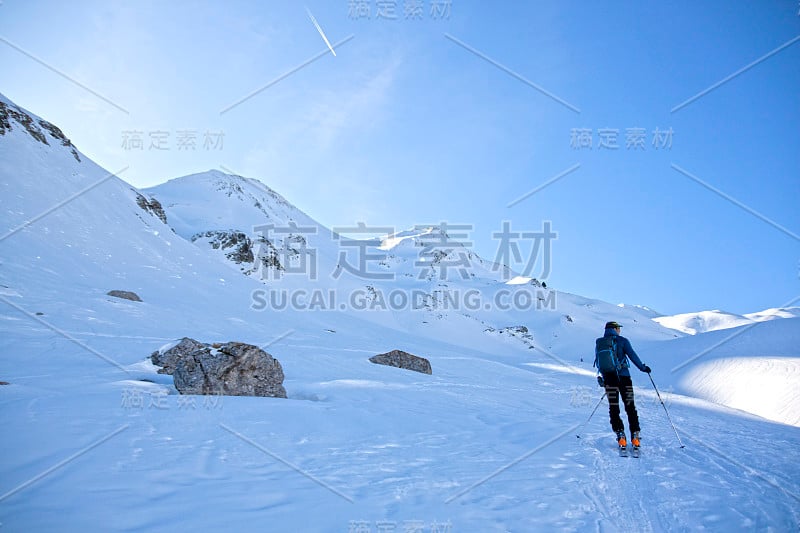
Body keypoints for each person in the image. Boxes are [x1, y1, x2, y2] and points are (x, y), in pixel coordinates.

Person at [595, 321, 651, 450]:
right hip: (624, 378)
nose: (619, 330)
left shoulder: (600, 343)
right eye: (618, 328)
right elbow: (632, 355)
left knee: (613, 407)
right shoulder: (622, 341)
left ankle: (620, 435)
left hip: (609, 379)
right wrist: (643, 368)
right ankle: (635, 436)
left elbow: (599, 362)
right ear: (615, 329)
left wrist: (603, 378)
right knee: (630, 406)